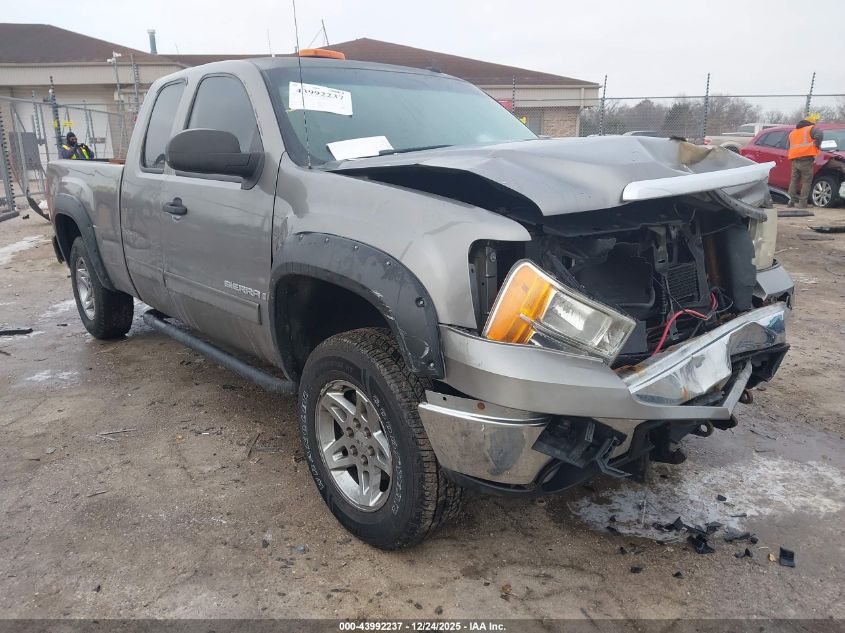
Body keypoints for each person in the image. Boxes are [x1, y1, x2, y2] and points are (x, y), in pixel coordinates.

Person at [786, 113, 822, 208]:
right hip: (806, 159)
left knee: (794, 181)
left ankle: (790, 201)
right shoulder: (810, 129)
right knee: (806, 182)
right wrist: (817, 146)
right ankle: (802, 204)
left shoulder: (793, 133)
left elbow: (788, 146)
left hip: (794, 160)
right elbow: (820, 134)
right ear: (810, 123)